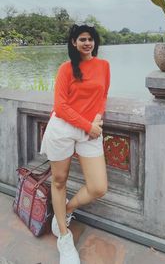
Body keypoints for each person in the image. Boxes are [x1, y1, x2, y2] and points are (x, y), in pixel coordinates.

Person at [40, 23, 110, 264]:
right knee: (59, 181)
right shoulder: (66, 69)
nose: (87, 43)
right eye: (82, 39)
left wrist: (98, 118)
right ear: (73, 42)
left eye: (90, 39)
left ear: (95, 42)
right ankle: (64, 237)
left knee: (98, 187)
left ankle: (66, 210)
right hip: (63, 129)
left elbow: (102, 96)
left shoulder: (103, 66)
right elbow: (60, 107)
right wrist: (87, 125)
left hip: (90, 130)